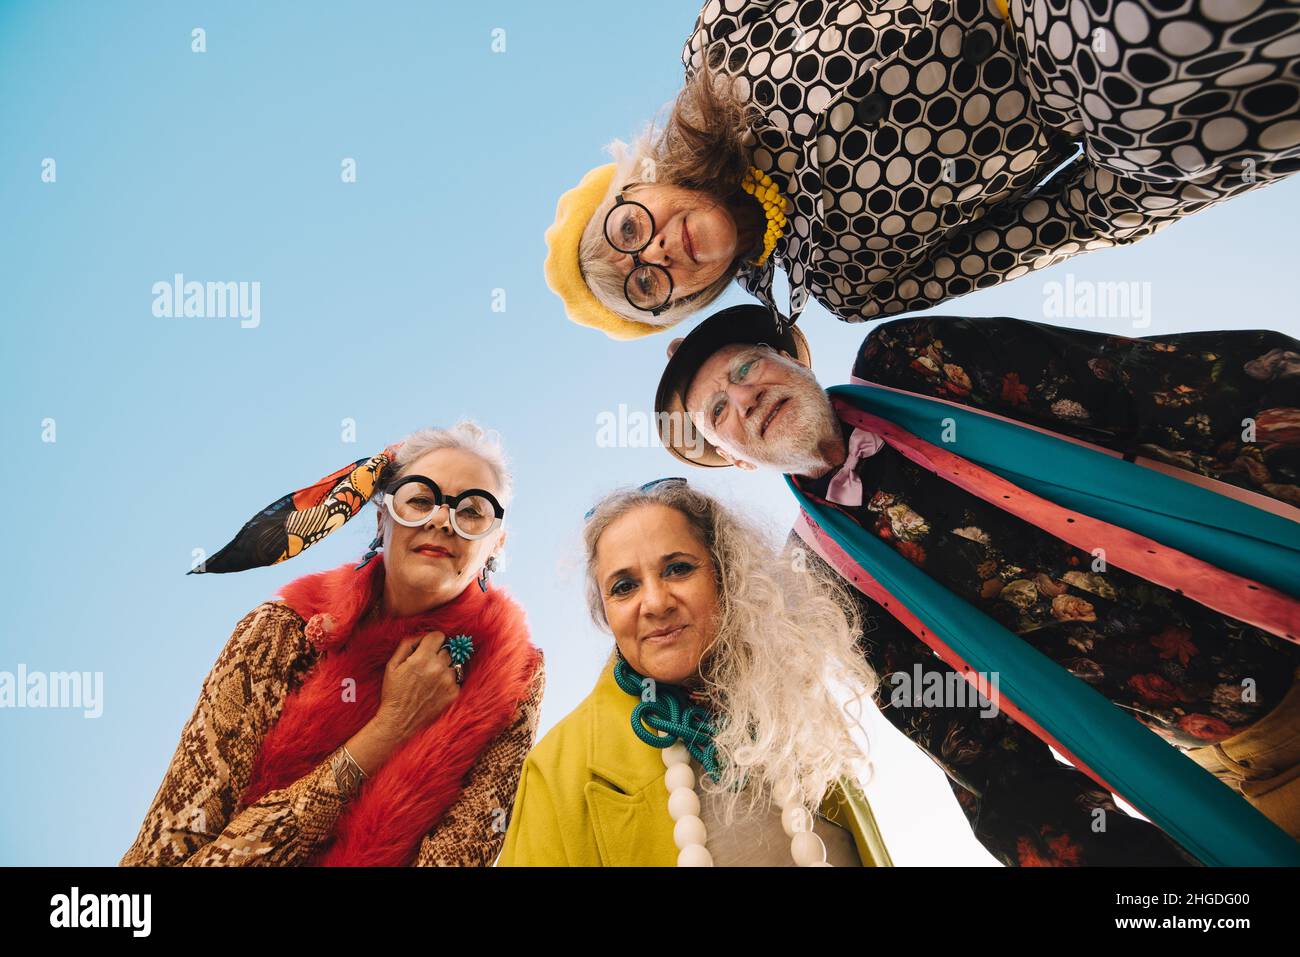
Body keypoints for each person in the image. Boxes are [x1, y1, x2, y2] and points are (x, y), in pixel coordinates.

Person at [653, 303, 1300, 865]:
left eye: (748, 368)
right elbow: (966, 737)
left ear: (797, 361)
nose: (746, 396)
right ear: (734, 458)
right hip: (1254, 745)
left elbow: (1134, 386)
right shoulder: (816, 578)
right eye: (720, 410)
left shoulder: (912, 363)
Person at [544, 0, 1300, 338]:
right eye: (647, 282)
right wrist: (1189, 169)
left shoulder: (723, 45)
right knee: (1159, 98)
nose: (657, 250)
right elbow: (1053, 225)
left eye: (629, 228)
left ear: (639, 182)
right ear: (687, 299)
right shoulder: (845, 283)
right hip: (1096, 107)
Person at [120, 421, 545, 866]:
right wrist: (389, 729)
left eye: (472, 511)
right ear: (383, 520)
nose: (441, 519)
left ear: (495, 543)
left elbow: (457, 857)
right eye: (421, 500)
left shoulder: (511, 675)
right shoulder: (279, 633)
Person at [498, 478, 891, 866]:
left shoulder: (794, 708)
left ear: (725, 574)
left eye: (678, 569)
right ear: (606, 612)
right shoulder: (556, 771)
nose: (654, 603)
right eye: (624, 587)